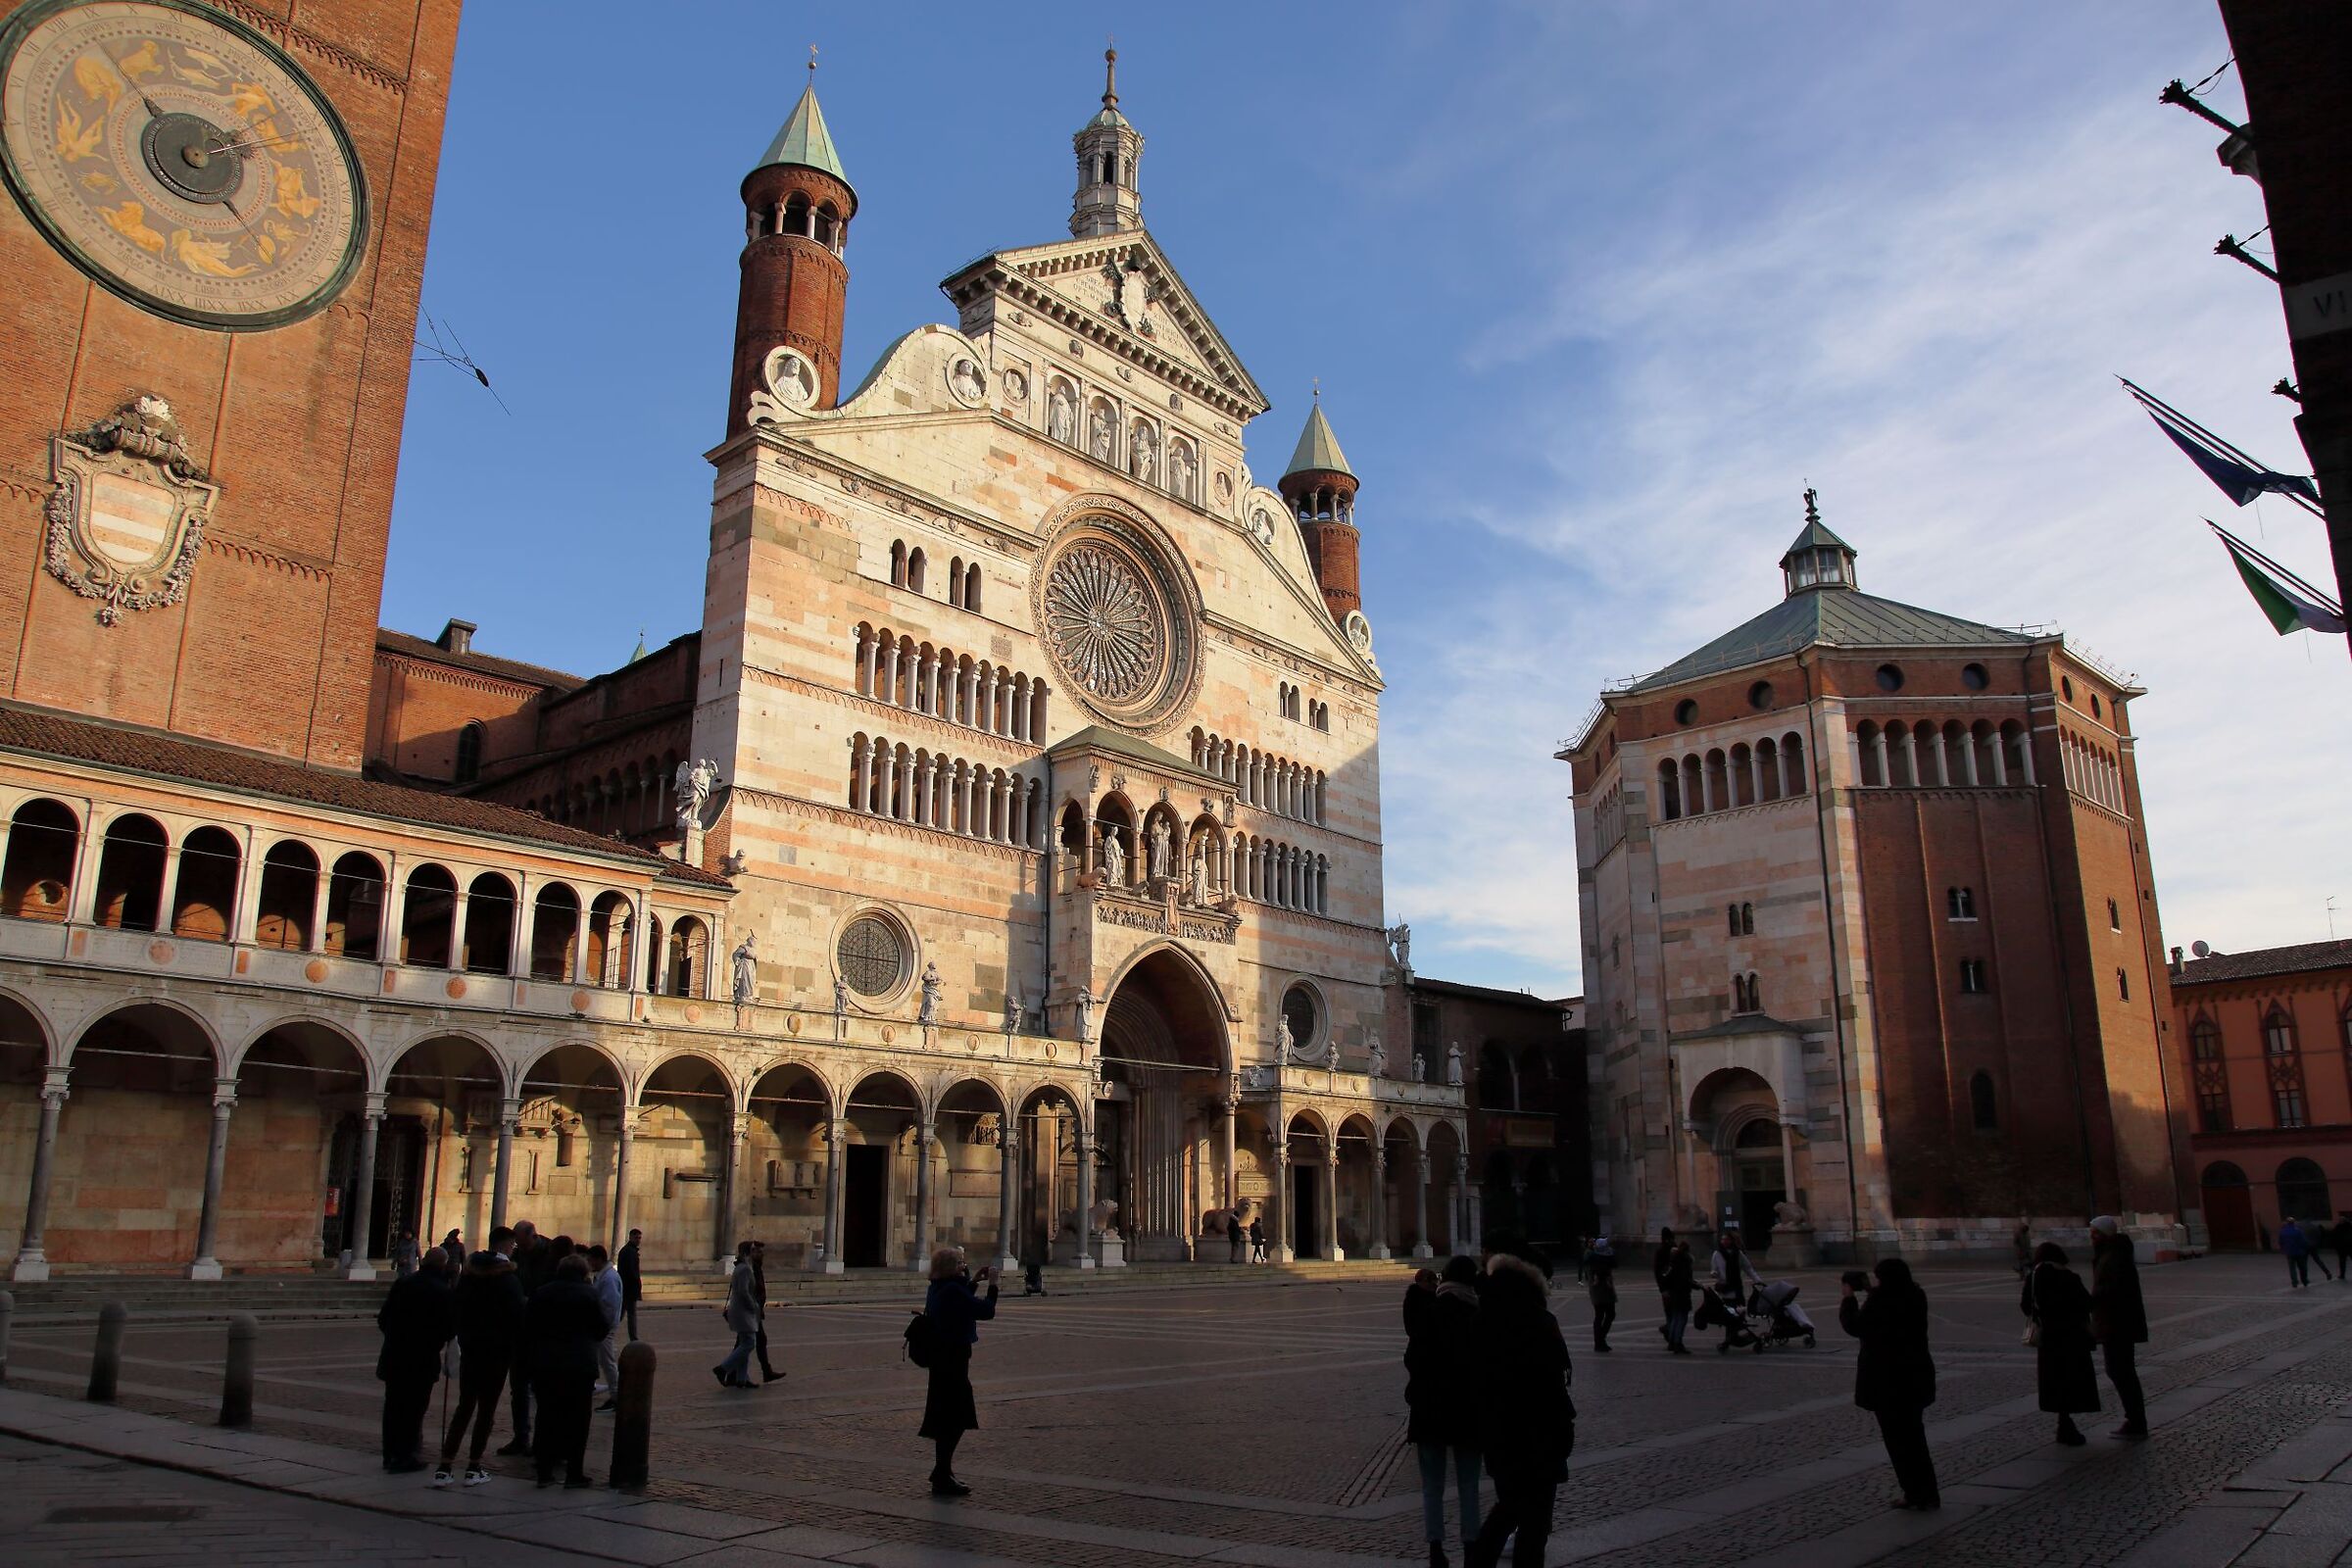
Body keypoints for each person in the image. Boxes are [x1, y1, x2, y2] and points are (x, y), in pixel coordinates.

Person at [1464, 1251, 1572, 1568]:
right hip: (1543, 1435)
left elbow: (1473, 1380)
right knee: (1534, 1521)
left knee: (1509, 1507)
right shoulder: (1541, 1322)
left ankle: (1479, 1562)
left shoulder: (1480, 1323)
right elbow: (1555, 1381)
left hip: (1500, 1436)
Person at [1839, 1258, 1938, 1510]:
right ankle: (1929, 1492)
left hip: (1888, 1382)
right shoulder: (1916, 1295)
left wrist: (1849, 1298)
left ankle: (1913, 1493)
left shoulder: (1881, 1301)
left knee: (1898, 1442)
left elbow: (1855, 1325)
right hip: (1915, 1377)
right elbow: (1892, 1308)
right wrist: (1872, 1290)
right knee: (1916, 1438)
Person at [1403, 1258, 1483, 1568]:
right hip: (1467, 1411)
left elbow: (1412, 1359)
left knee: (1432, 1486)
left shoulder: (1429, 1313)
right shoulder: (1477, 1316)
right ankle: (1471, 1546)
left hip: (1430, 1411)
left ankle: (1436, 1548)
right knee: (1468, 1484)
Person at [435, 1225, 525, 1488]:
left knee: (465, 1406)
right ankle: (474, 1466)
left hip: (471, 1350)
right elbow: (517, 1318)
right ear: (506, 1247)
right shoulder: (508, 1280)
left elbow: (456, 1309)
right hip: (497, 1354)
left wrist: (460, 1337)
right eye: (512, 1246)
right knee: (486, 1410)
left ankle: (445, 1464)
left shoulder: (470, 1276)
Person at [920, 1246, 1000, 1498]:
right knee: (957, 1417)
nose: (963, 1267)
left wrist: (973, 1281)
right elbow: (985, 1311)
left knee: (947, 1416)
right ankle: (942, 1473)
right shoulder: (953, 1289)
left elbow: (959, 1303)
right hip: (953, 1359)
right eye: (959, 1263)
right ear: (949, 1267)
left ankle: (942, 1472)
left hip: (941, 1359)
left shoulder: (938, 1287)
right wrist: (993, 1286)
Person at [523, 1253, 606, 1489]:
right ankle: (574, 1473)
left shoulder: (542, 1292)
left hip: (546, 1364)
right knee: (578, 1420)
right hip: (579, 1366)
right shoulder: (589, 1294)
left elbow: (528, 1326)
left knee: (546, 1416)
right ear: (583, 1273)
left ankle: (544, 1471)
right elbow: (601, 1328)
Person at [374, 1244, 456, 1472]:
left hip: (394, 1356)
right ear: (443, 1265)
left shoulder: (404, 1283)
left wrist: (395, 1338)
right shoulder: (442, 1290)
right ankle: (406, 1455)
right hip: (421, 1360)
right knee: (413, 1410)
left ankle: (390, 1454)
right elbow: (448, 1329)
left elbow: (383, 1318)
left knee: (393, 1408)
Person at [2023, 1241, 2099, 1446]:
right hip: (2072, 1338)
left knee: (2054, 1382)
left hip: (2048, 1339)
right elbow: (2087, 1303)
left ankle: (2064, 1423)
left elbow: (2025, 1306)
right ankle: (2066, 1424)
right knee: (2072, 1381)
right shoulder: (2068, 1276)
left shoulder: (2034, 1277)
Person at [2088, 1216, 2149, 1439]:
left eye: (2095, 1232)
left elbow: (2110, 1289)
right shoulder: (2111, 1253)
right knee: (2120, 1371)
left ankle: (2135, 1422)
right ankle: (2134, 1420)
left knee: (2120, 1371)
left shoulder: (2113, 1256)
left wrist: (2089, 1300)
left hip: (2117, 1323)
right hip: (2116, 1322)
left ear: (2105, 1234)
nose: (2091, 1236)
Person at [499, 1220, 546, 1455]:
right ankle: (521, 1437)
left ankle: (541, 1441)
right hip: (519, 1332)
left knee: (540, 1389)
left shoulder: (547, 1253)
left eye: (520, 1239)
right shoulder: (519, 1255)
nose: (517, 1244)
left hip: (540, 1333)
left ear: (532, 1236)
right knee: (518, 1389)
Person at [714, 1241, 760, 1389]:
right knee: (749, 1343)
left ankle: (742, 1378)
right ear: (748, 1252)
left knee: (744, 1343)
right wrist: (753, 1306)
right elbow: (743, 1292)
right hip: (743, 1311)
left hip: (740, 1310)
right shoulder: (745, 1269)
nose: (756, 1253)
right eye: (753, 1250)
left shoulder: (741, 1267)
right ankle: (723, 1368)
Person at [1709, 1230, 1759, 1348]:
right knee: (1728, 1316)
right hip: (1725, 1290)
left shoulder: (1738, 1253)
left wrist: (1757, 1280)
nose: (1724, 1241)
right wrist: (1714, 1273)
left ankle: (1731, 1337)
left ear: (1731, 1241)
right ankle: (1730, 1338)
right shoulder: (1717, 1254)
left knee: (1737, 1315)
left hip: (1736, 1289)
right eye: (1722, 1239)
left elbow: (1748, 1268)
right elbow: (1713, 1269)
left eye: (1726, 1239)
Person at [588, 1244, 624, 1409]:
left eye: (591, 1260)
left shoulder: (609, 1278)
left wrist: (602, 1326)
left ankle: (617, 1395)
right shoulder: (604, 1276)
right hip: (601, 1326)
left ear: (598, 1260)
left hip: (604, 1328)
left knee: (607, 1362)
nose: (589, 1264)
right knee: (600, 1360)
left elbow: (609, 1305)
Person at [751, 1240, 784, 1382]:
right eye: (758, 1251)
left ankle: (765, 1371)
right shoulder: (750, 1268)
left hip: (754, 1311)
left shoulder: (756, 1267)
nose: (762, 1254)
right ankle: (725, 1369)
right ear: (751, 1253)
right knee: (748, 1343)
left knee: (747, 1343)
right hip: (752, 1312)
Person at [1583, 1235, 1617, 1353]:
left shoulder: (1597, 1257)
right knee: (1604, 1315)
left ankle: (1600, 1340)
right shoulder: (1595, 1259)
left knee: (1603, 1315)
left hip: (1600, 1291)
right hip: (1601, 1291)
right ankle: (1600, 1340)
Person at [1660, 1241, 1694, 1354]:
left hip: (1673, 1293)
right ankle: (1677, 1342)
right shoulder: (1685, 1262)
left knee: (1675, 1318)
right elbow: (1686, 1279)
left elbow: (1665, 1276)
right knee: (1682, 1319)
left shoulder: (1673, 1261)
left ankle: (1672, 1340)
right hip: (1682, 1294)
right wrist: (1694, 1285)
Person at [616, 1228, 643, 1341]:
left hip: (626, 1288)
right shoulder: (630, 1252)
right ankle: (634, 1338)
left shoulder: (628, 1251)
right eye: (636, 1238)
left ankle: (633, 1337)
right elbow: (632, 1273)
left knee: (621, 1314)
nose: (638, 1240)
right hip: (629, 1288)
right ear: (631, 1237)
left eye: (639, 1238)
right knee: (629, 1314)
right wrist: (637, 1287)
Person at [2281, 1216, 2313, 1288]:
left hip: (2289, 1252)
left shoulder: (2283, 1231)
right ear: (2294, 1223)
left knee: (2292, 1268)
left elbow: (2281, 1242)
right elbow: (2303, 1241)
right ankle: (2304, 1280)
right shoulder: (2298, 1231)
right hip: (2299, 1252)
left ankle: (2294, 1282)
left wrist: (2284, 1249)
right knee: (2302, 1267)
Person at [2335, 1213, 2352, 1285]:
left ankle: (2342, 1275)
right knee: (2342, 1262)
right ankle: (2342, 1274)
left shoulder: (2338, 1227)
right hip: (2348, 1247)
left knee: (2342, 1262)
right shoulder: (2350, 1226)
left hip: (2342, 1248)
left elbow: (2334, 1237)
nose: (2339, 1221)